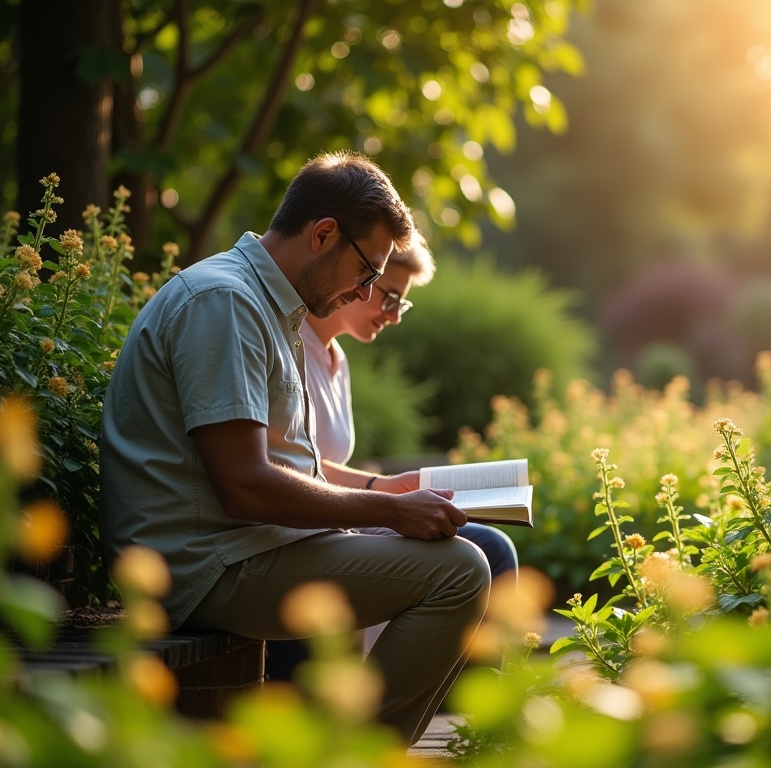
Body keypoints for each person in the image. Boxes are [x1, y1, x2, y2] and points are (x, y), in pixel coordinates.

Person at [99, 151, 489, 745]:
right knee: (461, 571)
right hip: (204, 567)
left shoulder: (264, 305)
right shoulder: (224, 303)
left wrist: (384, 502)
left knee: (465, 551)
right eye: (366, 272)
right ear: (324, 234)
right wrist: (388, 509)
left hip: (239, 551)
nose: (365, 292)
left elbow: (272, 469)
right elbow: (244, 485)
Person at [264, 235, 517, 679]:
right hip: (308, 526)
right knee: (485, 550)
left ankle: (468, 698)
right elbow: (289, 466)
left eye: (404, 304)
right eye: (391, 296)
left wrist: (387, 485)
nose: (394, 315)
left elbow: (319, 463)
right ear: (360, 277)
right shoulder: (290, 346)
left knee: (493, 545)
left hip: (341, 516)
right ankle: (449, 696)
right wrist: (383, 493)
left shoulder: (337, 360)